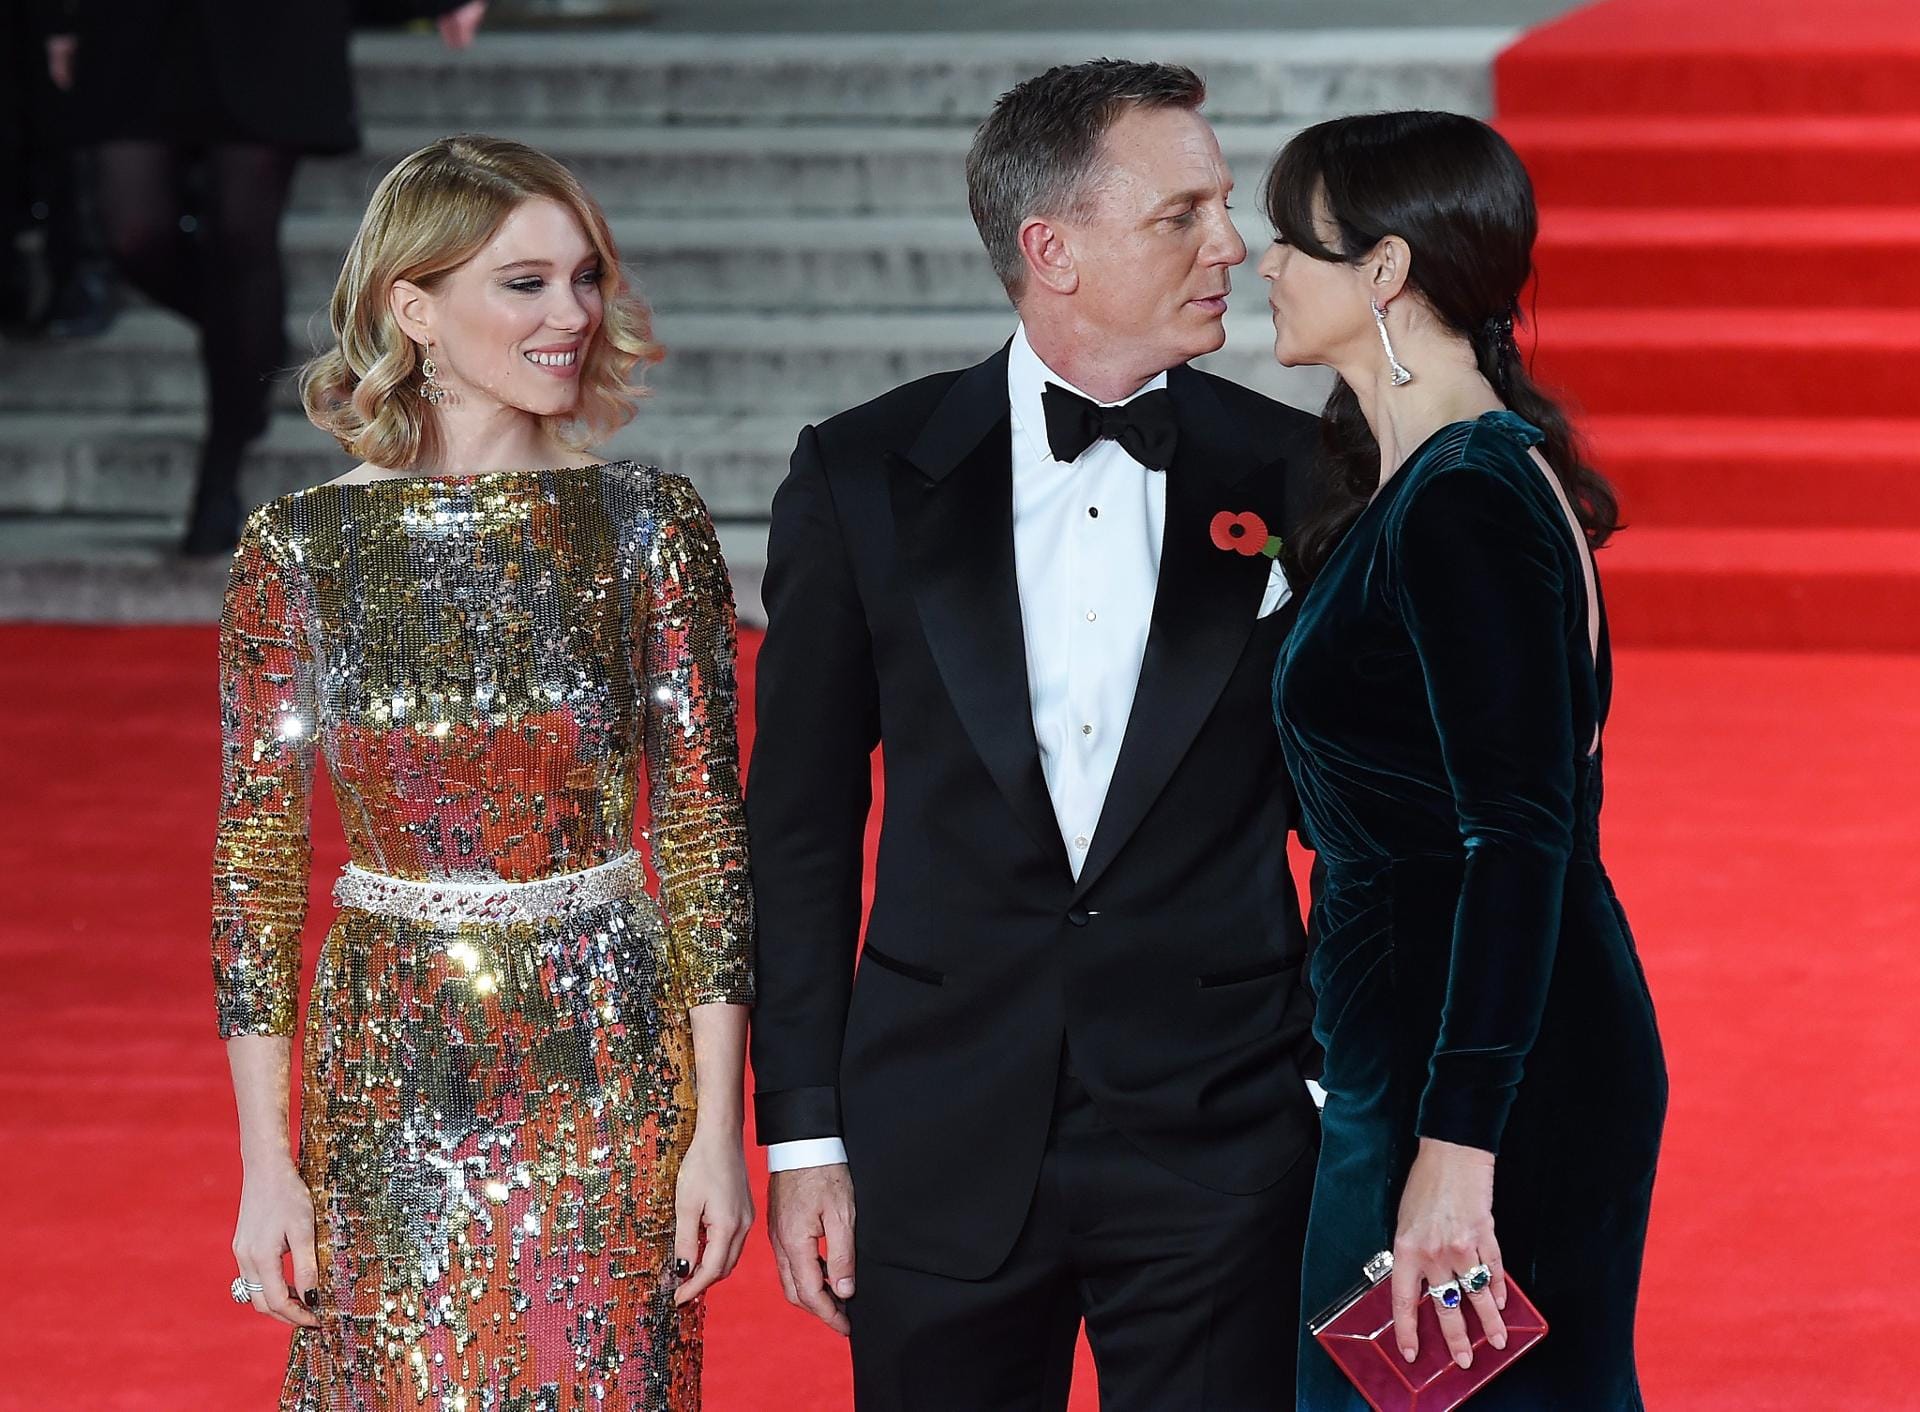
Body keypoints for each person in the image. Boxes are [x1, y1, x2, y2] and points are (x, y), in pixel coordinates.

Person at [749, 60, 1322, 1411]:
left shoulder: (1303, 478)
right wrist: (805, 1137)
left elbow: (1359, 819)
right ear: (1049, 249)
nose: (1230, 246)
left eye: (1226, 207)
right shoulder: (861, 474)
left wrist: (1324, 1085)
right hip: (936, 1129)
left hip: (1222, 1132)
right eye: (1183, 213)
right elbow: (801, 826)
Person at [213, 134, 754, 1410]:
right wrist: (265, 1163)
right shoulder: (298, 546)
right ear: (414, 308)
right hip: (387, 1063)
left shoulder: (647, 521)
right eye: (524, 282)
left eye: (584, 277)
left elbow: (703, 836)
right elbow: (258, 867)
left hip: (610, 1061)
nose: (571, 312)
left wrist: (718, 1133)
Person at [1259, 110, 1668, 1409]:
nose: (1261, 265)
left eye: (1291, 241)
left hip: (1485, 1078)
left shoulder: (1466, 500)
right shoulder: (1439, 480)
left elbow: (1519, 832)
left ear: (1385, 272)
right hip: (1433, 1049)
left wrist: (1459, 1141)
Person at [58, 0, 487, 554]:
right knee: (134, 236)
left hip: (269, 28)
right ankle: (252, 350)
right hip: (138, 27)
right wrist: (57, 21)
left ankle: (220, 471)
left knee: (243, 241)